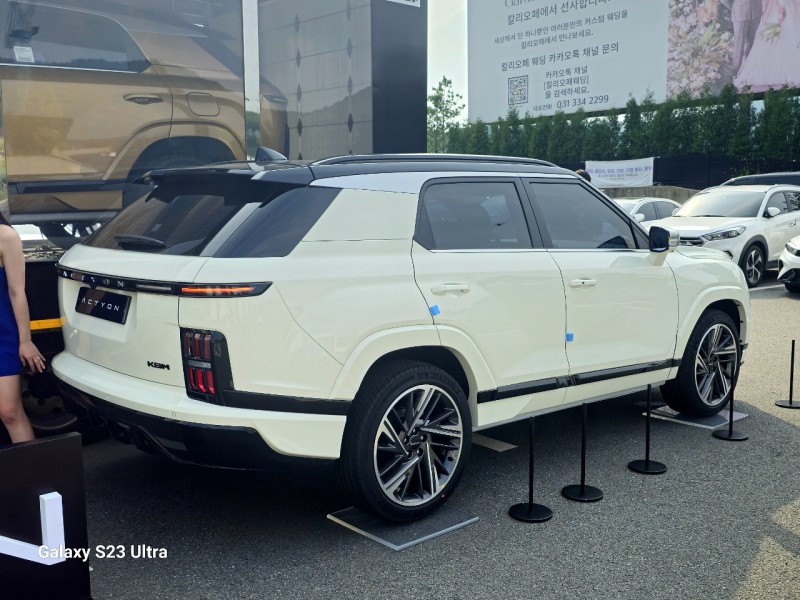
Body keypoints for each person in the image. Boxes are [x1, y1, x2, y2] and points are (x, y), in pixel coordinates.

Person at [0, 215, 42, 443]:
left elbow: (17, 292)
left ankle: (34, 466)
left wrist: (25, 340)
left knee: (10, 412)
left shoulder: (5, 236)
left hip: (3, 335)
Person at [734, 0, 800, 91]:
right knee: (771, 39)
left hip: (792, 7)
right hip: (776, 7)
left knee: (792, 34)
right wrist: (778, 8)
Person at [721, 0, 764, 76]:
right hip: (740, 13)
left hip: (756, 12)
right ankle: (736, 73)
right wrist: (734, 7)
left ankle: (750, 70)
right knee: (739, 47)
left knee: (753, 43)